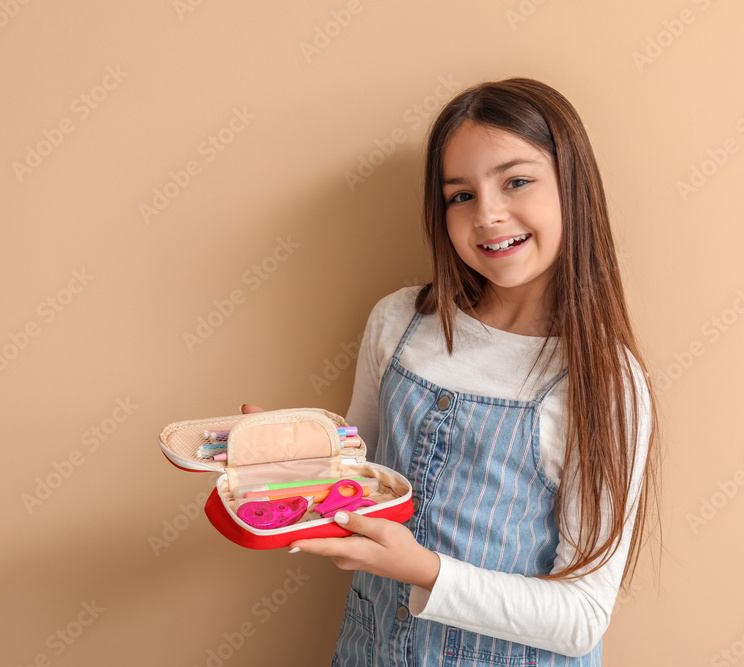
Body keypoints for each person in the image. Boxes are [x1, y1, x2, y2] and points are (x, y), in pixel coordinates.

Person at [244, 76, 661, 666]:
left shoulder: (604, 382)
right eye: (460, 195)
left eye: (517, 181)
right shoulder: (397, 321)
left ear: (574, 188)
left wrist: (422, 570)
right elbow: (358, 478)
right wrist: (291, 463)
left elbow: (581, 618)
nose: (488, 214)